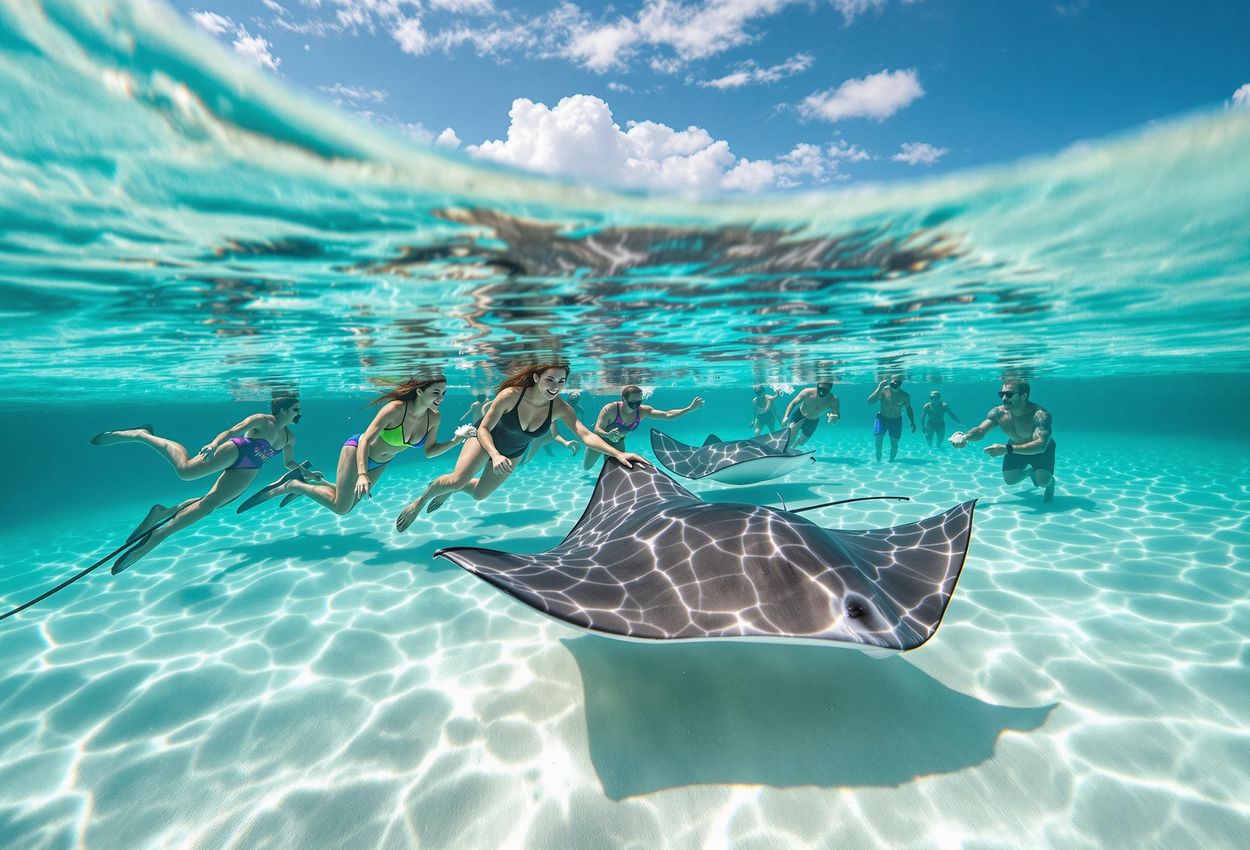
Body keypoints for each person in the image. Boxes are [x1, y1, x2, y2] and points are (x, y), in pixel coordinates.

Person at [396, 364, 648, 531]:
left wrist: (618, 453)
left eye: (561, 381)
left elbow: (584, 434)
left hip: (513, 452)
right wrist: (494, 455)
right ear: (536, 378)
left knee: (479, 493)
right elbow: (483, 428)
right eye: (550, 379)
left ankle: (451, 489)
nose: (555, 386)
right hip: (485, 440)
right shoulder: (511, 395)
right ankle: (420, 501)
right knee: (458, 479)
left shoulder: (559, 407)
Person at [89, 395, 307, 573]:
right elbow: (233, 431)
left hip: (252, 466)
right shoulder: (262, 420)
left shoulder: (290, 437)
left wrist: (306, 472)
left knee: (211, 504)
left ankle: (160, 527)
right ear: (283, 410)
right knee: (185, 471)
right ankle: (143, 435)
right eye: (296, 409)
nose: (299, 413)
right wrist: (213, 444)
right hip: (236, 450)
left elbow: (289, 463)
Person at [240, 376, 470, 515]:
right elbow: (367, 439)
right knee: (341, 507)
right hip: (357, 450)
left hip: (381, 462)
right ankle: (293, 486)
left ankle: (310, 481)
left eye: (444, 393)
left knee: (347, 505)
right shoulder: (395, 409)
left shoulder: (434, 417)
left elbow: (430, 452)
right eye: (436, 392)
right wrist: (361, 474)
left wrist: (456, 441)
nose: (441, 397)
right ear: (420, 391)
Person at [950, 379, 1056, 502]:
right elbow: (980, 431)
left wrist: (1007, 449)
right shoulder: (999, 413)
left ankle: (1050, 484)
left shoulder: (1040, 415)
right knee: (1010, 480)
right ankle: (1031, 472)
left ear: (1024, 396)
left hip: (1039, 451)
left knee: (1043, 482)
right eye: (1002, 394)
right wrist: (964, 437)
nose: (1004, 398)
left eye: (1009, 394)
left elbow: (1041, 445)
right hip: (1014, 448)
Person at [582, 386, 705, 470]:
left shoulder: (642, 411)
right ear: (623, 399)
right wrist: (608, 435)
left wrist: (688, 409)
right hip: (600, 441)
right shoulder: (610, 409)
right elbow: (597, 430)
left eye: (638, 402)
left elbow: (667, 415)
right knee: (587, 467)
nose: (636, 406)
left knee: (616, 470)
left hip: (618, 442)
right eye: (632, 402)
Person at [867, 375, 915, 461]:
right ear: (891, 381)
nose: (895, 383)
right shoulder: (884, 390)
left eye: (898, 382)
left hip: (896, 421)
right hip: (882, 419)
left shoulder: (904, 395)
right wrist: (879, 388)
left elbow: (908, 409)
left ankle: (891, 462)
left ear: (901, 383)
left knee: (894, 443)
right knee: (878, 441)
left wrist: (912, 421)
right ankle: (878, 462)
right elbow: (870, 402)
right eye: (893, 382)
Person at [781, 380, 840, 448]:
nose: (821, 392)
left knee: (801, 442)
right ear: (817, 386)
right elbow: (793, 403)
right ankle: (785, 450)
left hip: (813, 420)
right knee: (791, 434)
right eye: (820, 389)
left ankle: (793, 448)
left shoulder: (833, 399)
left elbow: (837, 415)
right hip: (799, 415)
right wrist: (786, 416)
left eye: (825, 390)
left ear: (829, 389)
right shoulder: (807, 392)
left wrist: (835, 419)